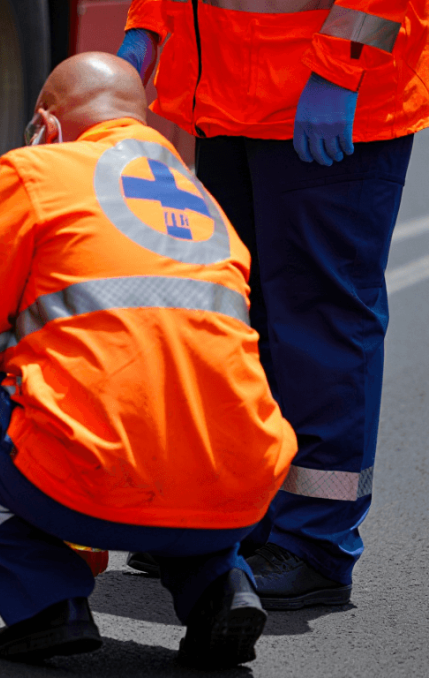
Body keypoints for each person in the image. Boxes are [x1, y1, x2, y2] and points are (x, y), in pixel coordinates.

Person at [0, 53, 297, 667]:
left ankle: (44, 600)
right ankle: (219, 587)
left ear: (45, 124)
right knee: (186, 418)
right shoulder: (204, 205)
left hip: (88, 489)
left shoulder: (35, 170)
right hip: (238, 498)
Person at [117, 0, 428, 609]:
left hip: (325, 97)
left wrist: (340, 69)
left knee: (318, 325)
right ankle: (247, 521)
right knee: (240, 319)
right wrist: (148, 25)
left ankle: (315, 543)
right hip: (228, 94)